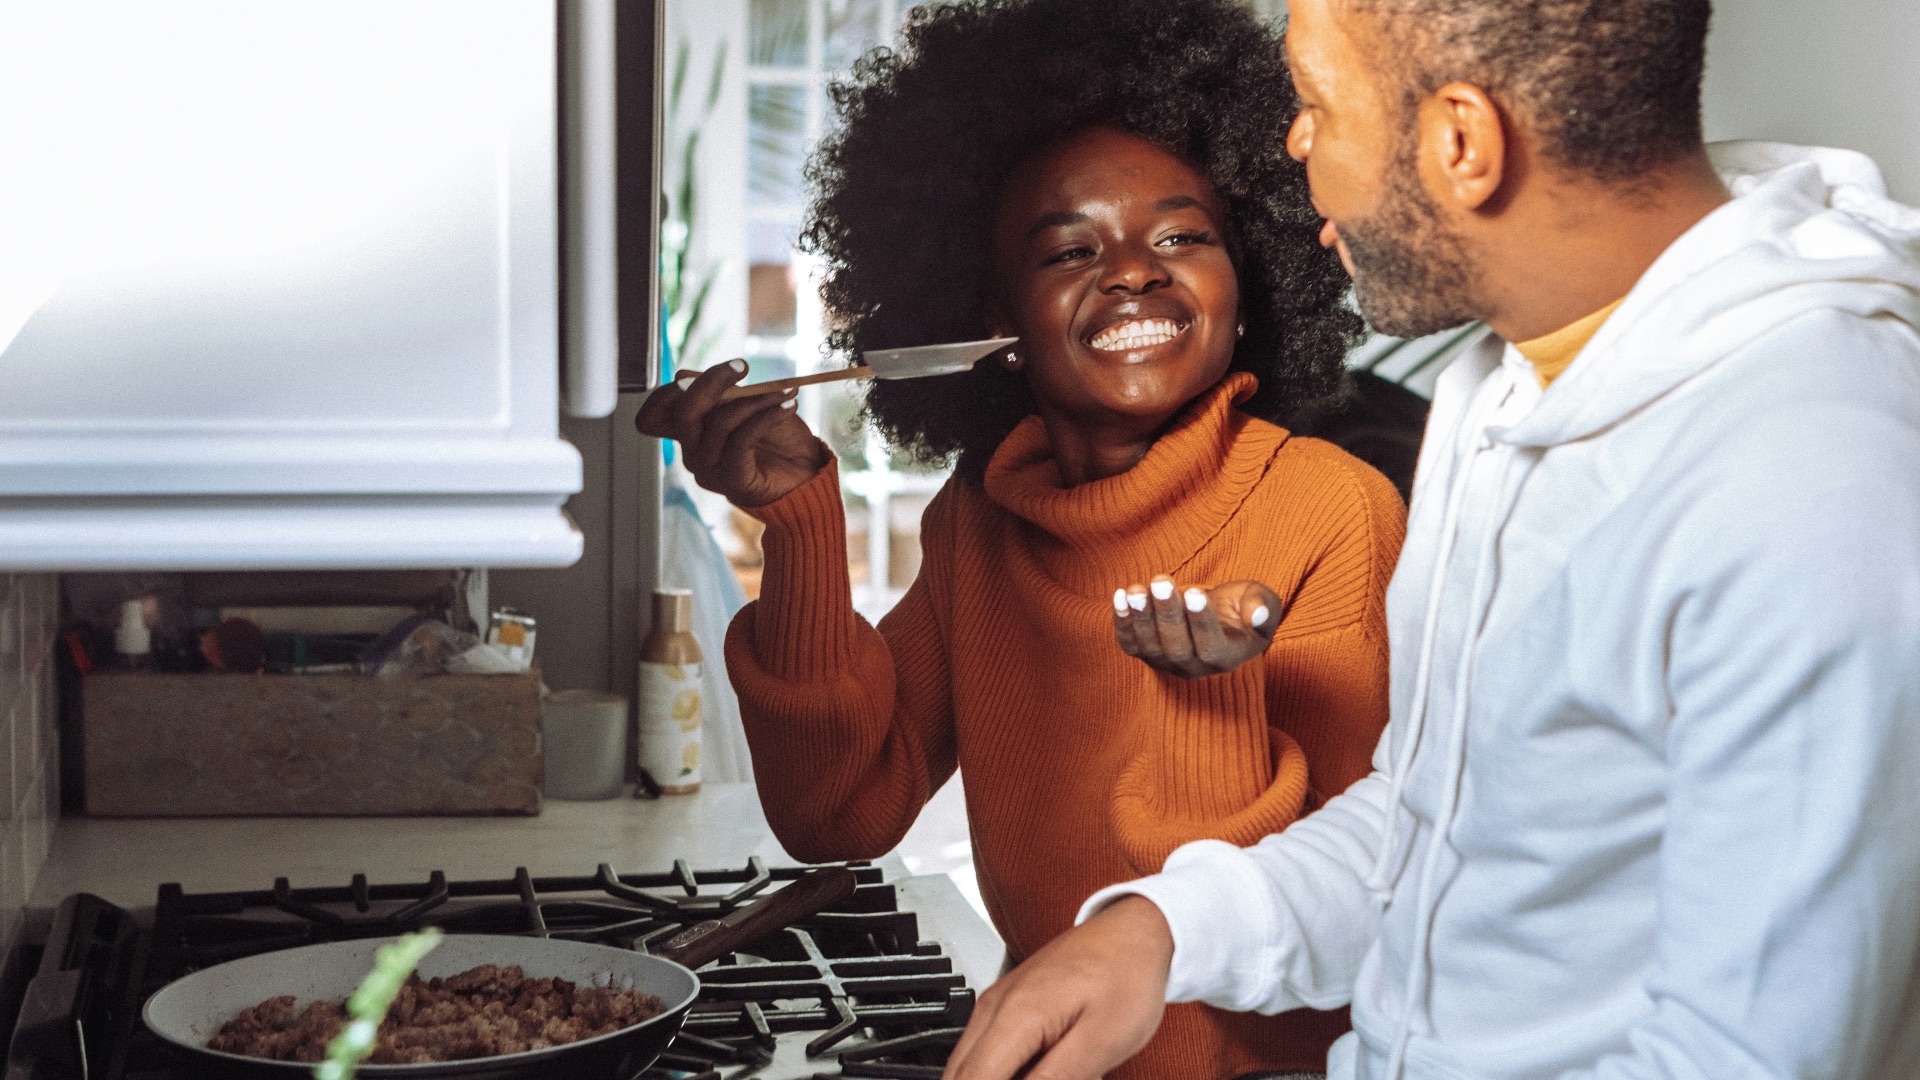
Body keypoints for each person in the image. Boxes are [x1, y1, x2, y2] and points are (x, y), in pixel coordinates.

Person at [942, 0, 1920, 1077]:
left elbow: (1748, 1059)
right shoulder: (1503, 382)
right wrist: (1163, 932)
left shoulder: (1808, 470)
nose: (1294, 145)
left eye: (1317, 106)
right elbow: (1442, 823)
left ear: (1462, 143)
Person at [636, 0, 1408, 1072]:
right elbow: (838, 814)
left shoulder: (1330, 508)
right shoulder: (981, 520)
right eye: (1069, 249)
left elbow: (1365, 893)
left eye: (1183, 236)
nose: (1134, 270)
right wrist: (801, 522)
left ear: (1249, 281)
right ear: (994, 325)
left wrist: (1207, 696)